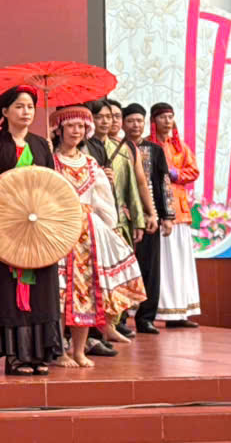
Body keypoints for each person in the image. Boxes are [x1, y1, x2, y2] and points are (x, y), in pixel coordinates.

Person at [51, 106, 147, 368]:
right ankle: (59, 351)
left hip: (88, 232)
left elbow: (103, 199)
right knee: (59, 293)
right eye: (70, 126)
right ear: (59, 130)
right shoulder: (51, 162)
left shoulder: (91, 163)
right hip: (60, 230)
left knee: (86, 293)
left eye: (81, 127)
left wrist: (110, 228)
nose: (76, 131)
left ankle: (79, 351)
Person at [0, 86, 62, 376]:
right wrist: (8, 179)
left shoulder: (41, 145)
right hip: (7, 230)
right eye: (19, 106)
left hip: (38, 229)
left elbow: (52, 188)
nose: (26, 112)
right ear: (5, 111)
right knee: (9, 291)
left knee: (41, 291)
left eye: (30, 107)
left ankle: (40, 354)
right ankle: (15, 355)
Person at [85, 99, 147, 344]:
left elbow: (133, 185)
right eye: (100, 117)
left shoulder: (121, 148)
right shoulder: (83, 147)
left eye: (110, 117)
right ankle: (93, 331)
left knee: (117, 274)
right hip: (92, 219)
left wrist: (139, 219)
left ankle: (112, 324)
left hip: (118, 220)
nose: (106, 122)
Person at [123, 103, 175, 335]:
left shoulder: (154, 150)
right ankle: (121, 317)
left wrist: (167, 216)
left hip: (149, 217)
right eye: (130, 121)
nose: (135, 125)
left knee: (150, 268)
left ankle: (146, 318)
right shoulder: (117, 148)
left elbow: (163, 183)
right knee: (122, 267)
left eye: (139, 121)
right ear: (122, 124)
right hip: (124, 216)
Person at [149, 102, 202, 328]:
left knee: (180, 263)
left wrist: (175, 173)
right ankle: (159, 311)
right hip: (158, 210)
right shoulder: (148, 146)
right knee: (162, 264)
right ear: (154, 120)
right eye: (162, 117)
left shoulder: (180, 147)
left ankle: (180, 313)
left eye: (170, 117)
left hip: (179, 210)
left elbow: (194, 171)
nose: (167, 121)